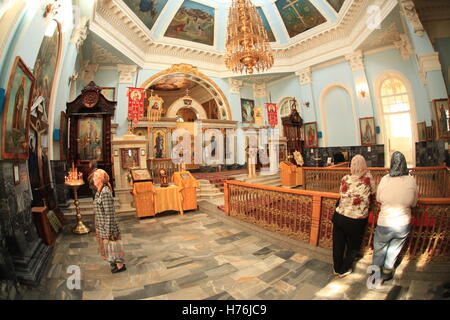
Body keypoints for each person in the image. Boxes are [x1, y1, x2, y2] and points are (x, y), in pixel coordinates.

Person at [372, 151, 418, 282]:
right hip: (402, 223)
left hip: (385, 221)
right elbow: (414, 203)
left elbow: (379, 198)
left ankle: (375, 275)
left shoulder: (385, 179)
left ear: (391, 164)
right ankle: (386, 273)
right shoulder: (411, 180)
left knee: (379, 248)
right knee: (394, 249)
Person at [332, 154, 375, 277]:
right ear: (364, 165)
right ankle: (344, 269)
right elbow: (373, 192)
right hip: (355, 220)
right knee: (353, 246)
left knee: (338, 244)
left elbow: (341, 192)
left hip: (339, 216)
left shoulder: (345, 178)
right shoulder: (368, 179)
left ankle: (336, 267)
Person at [92, 169, 126, 273]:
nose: (93, 179)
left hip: (109, 225)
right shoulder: (100, 191)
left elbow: (109, 213)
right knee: (110, 246)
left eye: (95, 177)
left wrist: (108, 230)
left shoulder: (105, 192)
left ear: (101, 179)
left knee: (114, 245)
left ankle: (120, 266)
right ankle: (114, 263)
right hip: (103, 225)